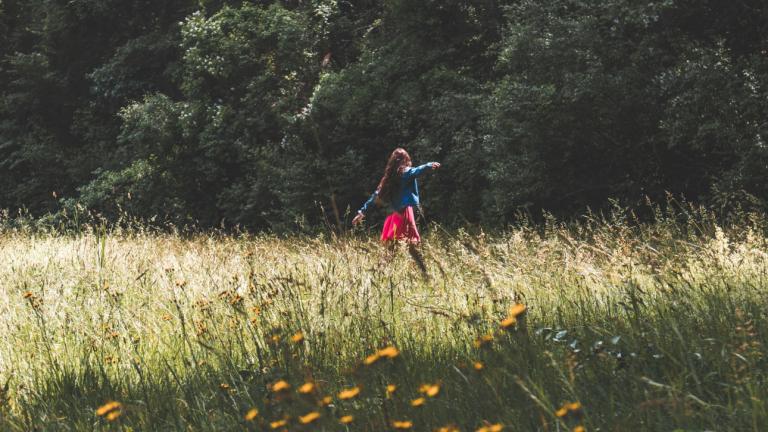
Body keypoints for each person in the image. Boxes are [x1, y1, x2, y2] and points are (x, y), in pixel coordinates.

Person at [353, 148, 440, 273]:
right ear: (406, 160)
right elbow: (417, 170)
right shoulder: (405, 172)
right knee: (411, 245)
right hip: (404, 214)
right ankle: (420, 272)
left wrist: (362, 212)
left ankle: (381, 271)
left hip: (394, 215)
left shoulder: (388, 178)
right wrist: (429, 165)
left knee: (394, 249)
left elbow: (375, 196)